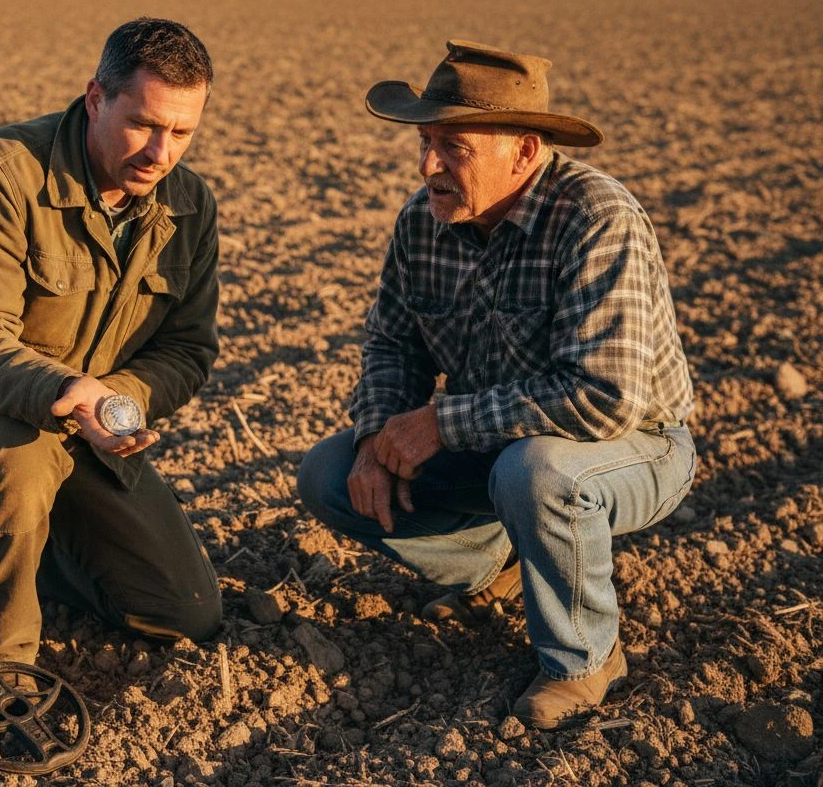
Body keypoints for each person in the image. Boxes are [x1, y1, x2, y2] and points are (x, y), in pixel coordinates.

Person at [298, 40, 696, 729]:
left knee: (538, 472)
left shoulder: (596, 220)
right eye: (426, 142)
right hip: (500, 442)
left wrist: (441, 424)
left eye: (454, 146)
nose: (428, 166)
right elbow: (393, 343)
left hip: (635, 446)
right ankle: (500, 567)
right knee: (330, 474)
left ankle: (585, 660)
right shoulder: (422, 223)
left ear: (526, 150)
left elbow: (608, 398)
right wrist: (376, 436)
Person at [0, 18, 222, 668]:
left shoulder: (189, 206)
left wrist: (112, 401)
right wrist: (66, 392)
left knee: (185, 611)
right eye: (143, 123)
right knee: (17, 456)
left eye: (182, 132)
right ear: (95, 98)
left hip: (81, 419)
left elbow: (187, 349)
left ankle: (0, 536)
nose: (160, 153)